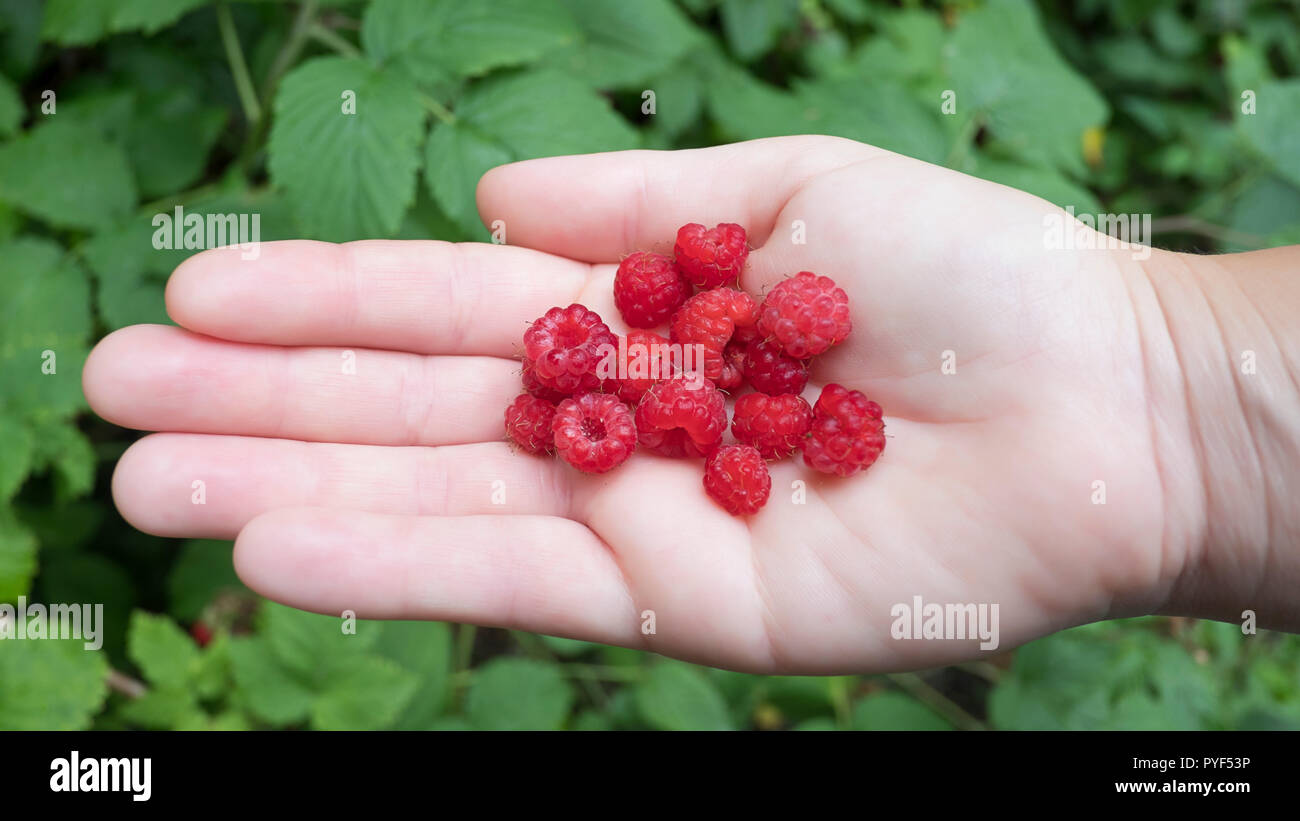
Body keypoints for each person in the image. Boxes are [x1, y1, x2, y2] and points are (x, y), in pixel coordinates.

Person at [82, 136, 1300, 674]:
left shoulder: (750, 369)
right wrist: (1182, 390)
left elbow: (747, 385)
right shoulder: (662, 359)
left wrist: (1172, 379)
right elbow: (680, 372)